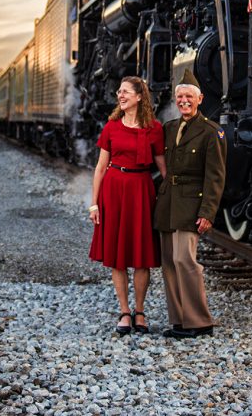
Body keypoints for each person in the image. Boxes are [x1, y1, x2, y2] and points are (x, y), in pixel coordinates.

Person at [89, 76, 166, 335]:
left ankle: (140, 311)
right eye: (119, 92)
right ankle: (124, 311)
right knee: (118, 257)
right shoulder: (111, 127)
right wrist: (93, 204)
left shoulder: (154, 128)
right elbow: (100, 168)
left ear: (139, 96)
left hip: (142, 190)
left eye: (125, 92)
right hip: (113, 190)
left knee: (141, 256)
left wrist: (176, 196)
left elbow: (162, 166)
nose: (120, 96)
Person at [154, 69, 226, 339]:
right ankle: (180, 320)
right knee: (169, 262)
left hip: (191, 207)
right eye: (180, 96)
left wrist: (207, 212)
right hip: (168, 204)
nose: (184, 101)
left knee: (186, 260)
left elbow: (215, 177)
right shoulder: (170, 128)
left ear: (200, 99)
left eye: (189, 97)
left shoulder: (211, 132)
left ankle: (199, 321)